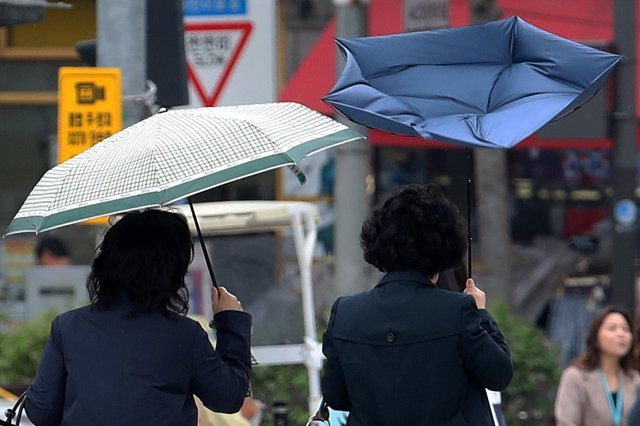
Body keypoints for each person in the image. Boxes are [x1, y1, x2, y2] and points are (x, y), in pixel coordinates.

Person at [24, 209, 252, 426]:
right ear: (171, 270)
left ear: (106, 263)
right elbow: (227, 398)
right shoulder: (184, 335)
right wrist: (230, 321)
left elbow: (41, 410)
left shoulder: (67, 327)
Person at [321, 183, 513, 425]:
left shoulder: (346, 312)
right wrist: (481, 313)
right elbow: (499, 374)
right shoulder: (457, 311)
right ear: (444, 246)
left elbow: (336, 397)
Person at [554, 306, 640, 426]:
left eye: (626, 329)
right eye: (612, 328)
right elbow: (566, 422)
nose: (621, 334)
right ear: (596, 337)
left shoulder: (634, 380)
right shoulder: (576, 377)